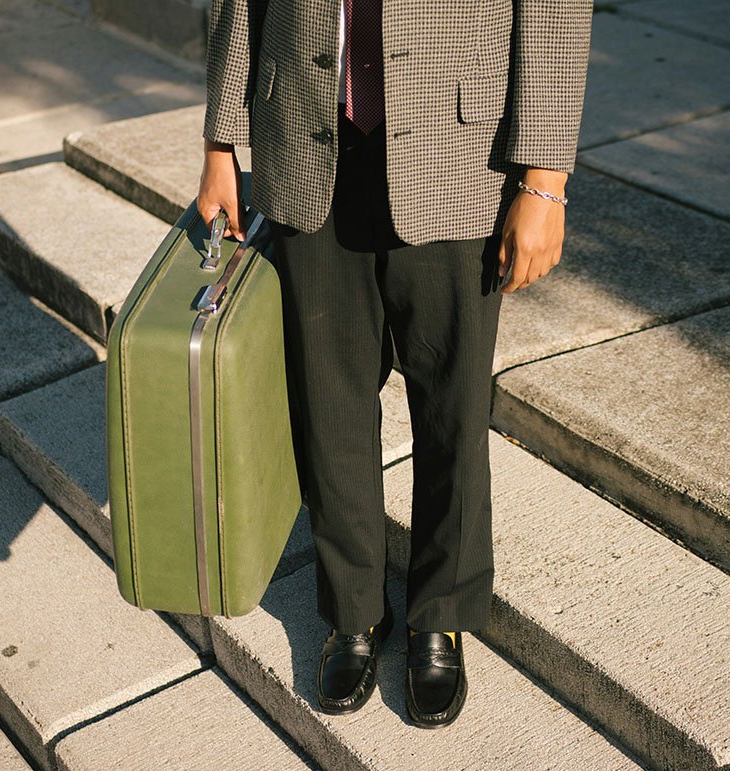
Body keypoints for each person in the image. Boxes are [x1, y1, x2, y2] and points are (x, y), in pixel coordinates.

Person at [197, 0, 593, 728]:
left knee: (453, 409)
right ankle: (353, 609)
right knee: (328, 404)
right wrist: (221, 141)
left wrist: (545, 181)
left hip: (458, 151)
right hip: (306, 143)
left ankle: (438, 612)